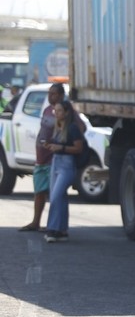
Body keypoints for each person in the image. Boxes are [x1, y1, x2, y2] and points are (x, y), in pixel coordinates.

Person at [19, 82, 66, 232]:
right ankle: (35, 222)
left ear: (61, 95)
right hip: (41, 158)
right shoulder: (46, 110)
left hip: (53, 159)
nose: (50, 96)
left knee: (55, 194)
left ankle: (55, 225)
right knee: (39, 192)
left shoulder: (64, 112)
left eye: (54, 94)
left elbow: (76, 128)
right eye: (49, 93)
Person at [43, 99, 85, 243]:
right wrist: (51, 146)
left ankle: (52, 229)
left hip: (67, 165)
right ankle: (62, 230)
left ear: (67, 113)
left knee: (55, 196)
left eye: (60, 110)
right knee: (60, 197)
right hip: (56, 162)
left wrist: (61, 148)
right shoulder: (58, 127)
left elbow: (78, 148)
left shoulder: (72, 128)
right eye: (56, 110)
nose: (56, 113)